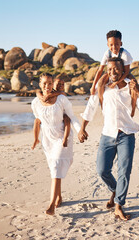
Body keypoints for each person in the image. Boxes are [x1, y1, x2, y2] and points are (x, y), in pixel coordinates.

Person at [79, 57, 139, 220]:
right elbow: (91, 106)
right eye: (109, 69)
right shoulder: (103, 87)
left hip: (126, 134)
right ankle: (115, 190)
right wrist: (82, 127)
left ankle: (119, 205)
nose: (112, 72)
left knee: (124, 171)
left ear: (123, 69)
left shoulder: (132, 86)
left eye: (116, 69)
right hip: (107, 134)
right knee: (102, 170)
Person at [31, 73, 80, 215]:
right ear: (40, 84)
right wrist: (35, 138)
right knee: (54, 169)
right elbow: (37, 121)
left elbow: (71, 116)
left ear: (53, 84)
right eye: (44, 83)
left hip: (62, 137)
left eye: (50, 83)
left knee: (57, 165)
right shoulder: (35, 102)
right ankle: (59, 197)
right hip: (47, 139)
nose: (47, 86)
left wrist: (79, 130)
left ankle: (51, 204)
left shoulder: (61, 99)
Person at [90, 30, 133, 97]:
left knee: (134, 84)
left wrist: (115, 83)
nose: (114, 47)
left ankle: (133, 105)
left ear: (121, 44)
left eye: (117, 44)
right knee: (100, 82)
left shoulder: (125, 54)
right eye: (111, 45)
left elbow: (127, 72)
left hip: (123, 74)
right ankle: (102, 105)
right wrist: (93, 86)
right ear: (107, 45)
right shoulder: (107, 53)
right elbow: (100, 70)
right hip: (111, 73)